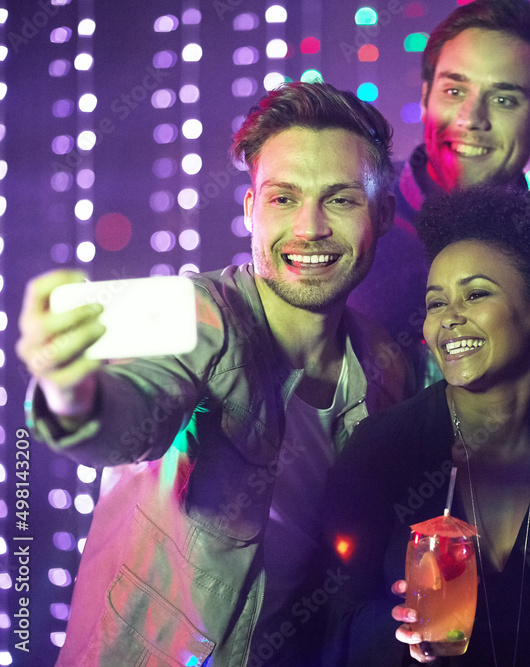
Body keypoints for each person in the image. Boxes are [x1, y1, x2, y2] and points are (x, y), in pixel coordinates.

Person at [15, 82, 408, 666]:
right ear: (251, 209)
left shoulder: (383, 364)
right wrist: (71, 393)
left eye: (342, 200)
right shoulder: (201, 314)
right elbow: (132, 417)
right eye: (283, 198)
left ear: (382, 213)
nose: (310, 227)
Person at [323, 185, 530, 666]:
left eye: (475, 295)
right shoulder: (382, 448)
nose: (449, 319)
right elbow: (332, 626)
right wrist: (397, 629)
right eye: (435, 303)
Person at [347, 0, 530, 386]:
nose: (472, 119)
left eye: (504, 99)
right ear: (426, 98)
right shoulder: (353, 209)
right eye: (455, 90)